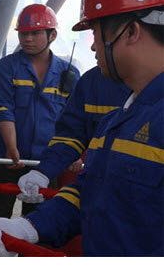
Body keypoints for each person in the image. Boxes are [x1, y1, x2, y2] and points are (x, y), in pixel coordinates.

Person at [0, 0, 164, 256]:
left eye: (97, 33)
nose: (93, 46)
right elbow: (90, 191)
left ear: (131, 32)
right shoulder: (119, 117)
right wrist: (30, 227)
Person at [0, 4, 80, 256]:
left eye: (35, 33)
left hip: (46, 164)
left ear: (52, 35)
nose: (28, 39)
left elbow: (74, 120)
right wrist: (11, 147)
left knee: (37, 225)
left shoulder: (69, 73)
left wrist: (72, 153)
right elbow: (2, 110)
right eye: (23, 33)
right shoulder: (5, 68)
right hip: (6, 160)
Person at [16, 65, 131, 204]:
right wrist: (42, 173)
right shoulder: (92, 81)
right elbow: (71, 135)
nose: (94, 52)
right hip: (98, 194)